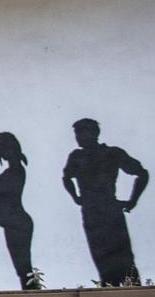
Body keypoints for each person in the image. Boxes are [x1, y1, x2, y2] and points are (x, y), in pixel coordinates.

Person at [62, 119, 148, 287]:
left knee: (124, 259)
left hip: (107, 210)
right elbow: (66, 178)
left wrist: (133, 201)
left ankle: (132, 292)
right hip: (93, 212)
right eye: (77, 134)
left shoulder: (111, 153)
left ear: (93, 133)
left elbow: (142, 173)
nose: (79, 137)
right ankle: (113, 292)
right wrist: (76, 197)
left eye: (81, 133)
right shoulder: (77, 156)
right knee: (103, 261)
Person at [0, 132, 42, 290]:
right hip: (13, 223)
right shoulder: (11, 172)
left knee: (23, 266)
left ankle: (32, 292)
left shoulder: (15, 171)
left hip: (17, 223)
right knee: (21, 267)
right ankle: (30, 290)